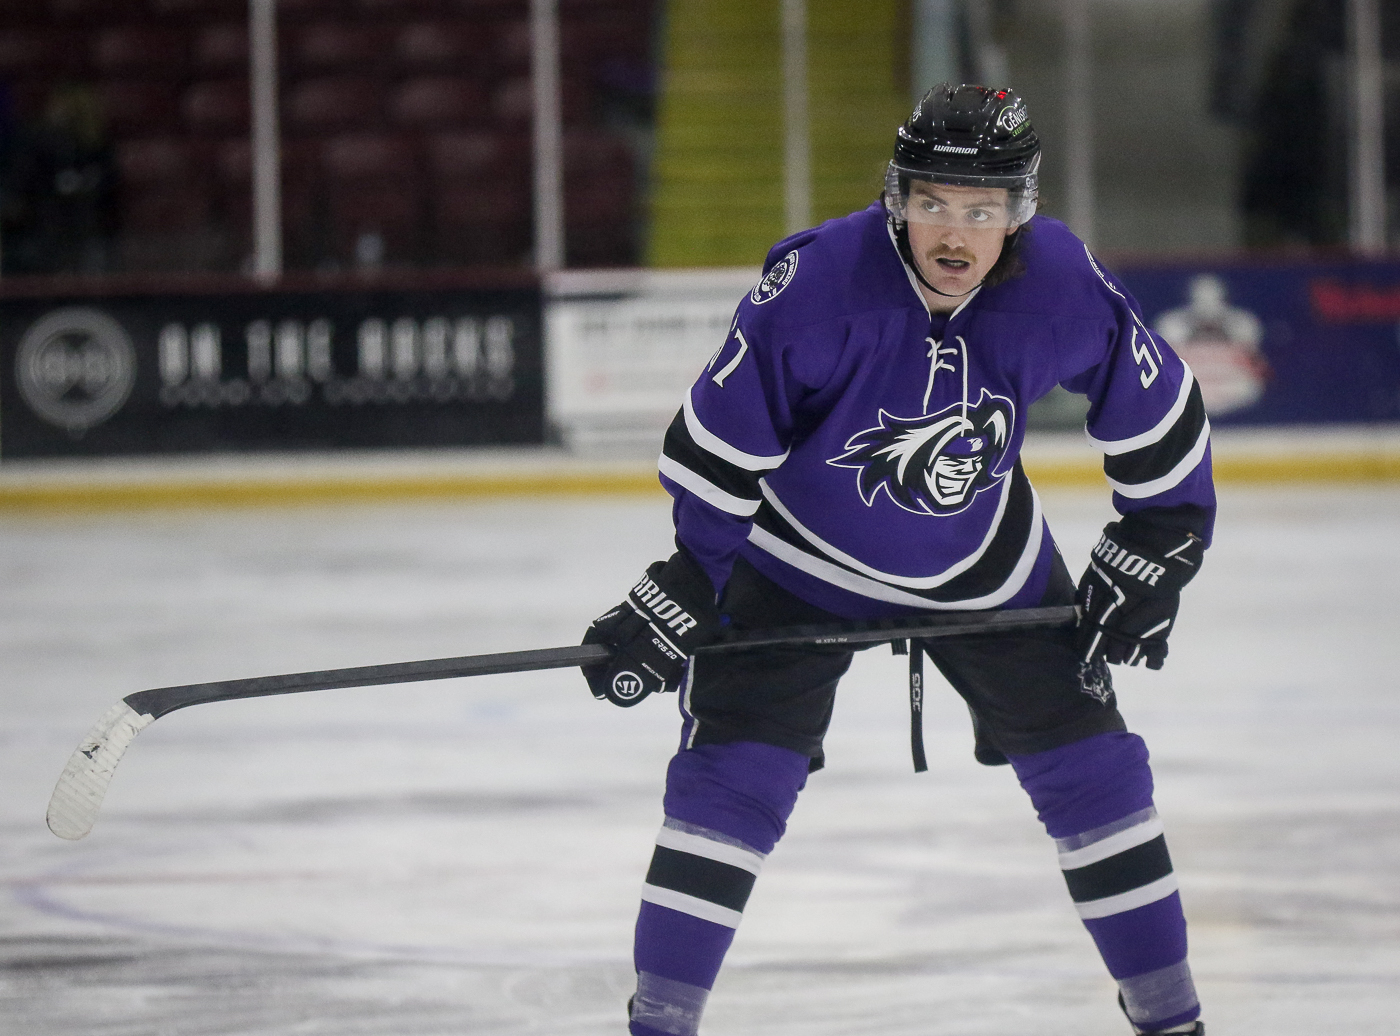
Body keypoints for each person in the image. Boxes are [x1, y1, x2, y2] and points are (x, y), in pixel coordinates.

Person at [582, 83, 1213, 1036]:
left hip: (986, 565)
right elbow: (719, 448)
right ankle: (660, 1023)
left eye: (980, 210)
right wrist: (686, 582)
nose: (953, 234)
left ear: (1019, 213)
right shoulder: (819, 286)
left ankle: (1171, 1017)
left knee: (1096, 774)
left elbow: (1160, 416)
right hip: (794, 560)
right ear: (897, 198)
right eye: (932, 203)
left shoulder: (1060, 286)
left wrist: (1159, 538)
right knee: (731, 783)